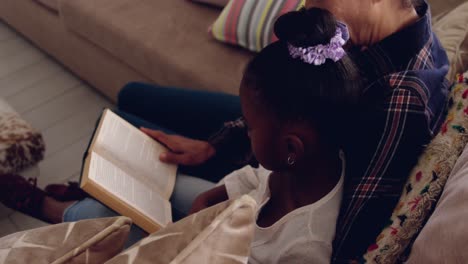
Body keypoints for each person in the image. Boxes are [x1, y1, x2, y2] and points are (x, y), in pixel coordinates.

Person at [1, 0, 449, 262]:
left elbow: (346, 234)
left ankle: (61, 205)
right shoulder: (348, 57)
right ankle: (92, 192)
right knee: (133, 100)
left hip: (271, 182)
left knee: (131, 160)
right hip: (280, 149)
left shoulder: (401, 98)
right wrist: (217, 148)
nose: (307, 7)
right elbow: (274, 149)